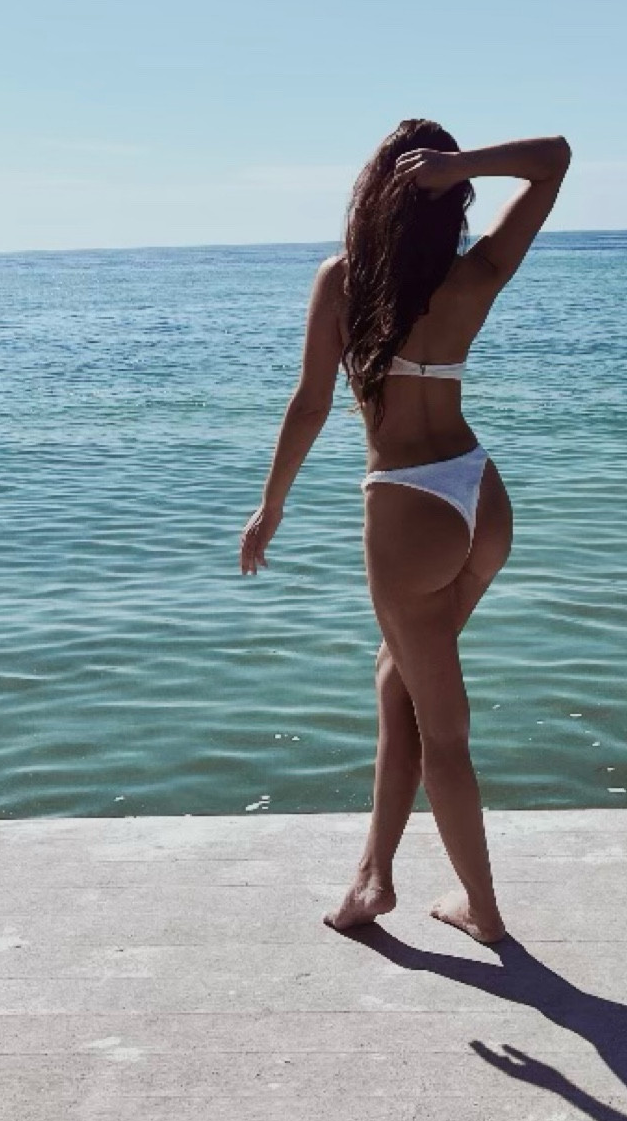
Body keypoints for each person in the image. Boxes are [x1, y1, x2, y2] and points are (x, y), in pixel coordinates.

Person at [239, 122, 572, 944]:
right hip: (479, 495)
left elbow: (311, 403)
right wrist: (466, 164)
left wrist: (271, 504)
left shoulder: (346, 280)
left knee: (445, 733)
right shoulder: (476, 273)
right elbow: (553, 159)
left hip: (408, 508)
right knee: (398, 685)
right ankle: (371, 881)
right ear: (448, 195)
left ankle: (484, 912)